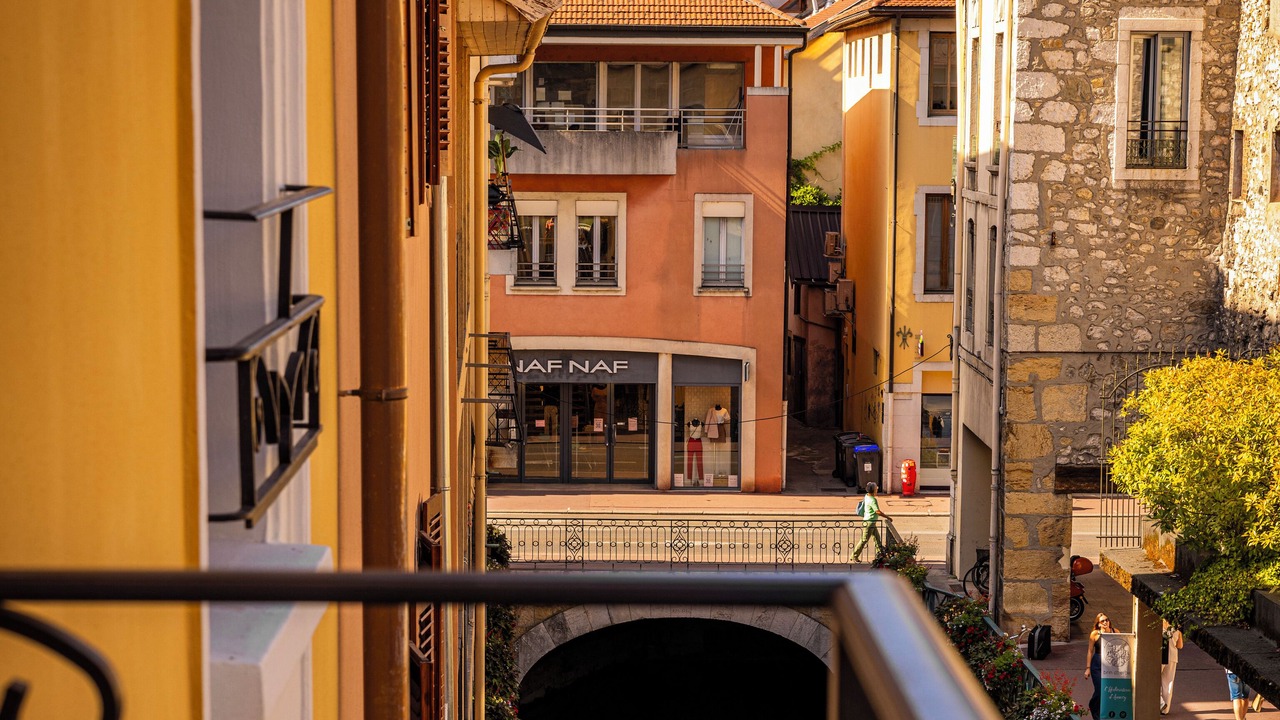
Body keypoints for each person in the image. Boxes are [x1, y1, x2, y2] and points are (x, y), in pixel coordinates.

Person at [849, 482, 892, 562]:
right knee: (864, 539)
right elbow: (877, 511)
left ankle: (880, 555)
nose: (877, 489)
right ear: (874, 490)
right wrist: (887, 517)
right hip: (870, 522)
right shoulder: (873, 500)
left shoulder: (867, 496)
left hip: (870, 521)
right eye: (876, 488)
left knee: (877, 539)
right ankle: (854, 555)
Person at [1084, 612, 1113, 720]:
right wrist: (1088, 668)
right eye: (1102, 621)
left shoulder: (1115, 632)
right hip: (1097, 663)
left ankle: (1101, 711)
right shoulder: (1095, 634)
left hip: (1110, 664)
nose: (1105, 622)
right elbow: (1090, 651)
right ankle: (1094, 709)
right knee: (1100, 689)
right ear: (1098, 624)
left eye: (1107, 620)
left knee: (1108, 690)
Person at [1160, 619, 1183, 715]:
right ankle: (1165, 709)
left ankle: (1161, 702)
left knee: (1153, 680)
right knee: (1168, 683)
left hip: (1160, 656)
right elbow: (1180, 646)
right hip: (1172, 657)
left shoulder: (1158, 626)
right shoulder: (1177, 629)